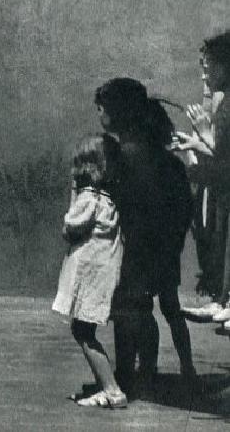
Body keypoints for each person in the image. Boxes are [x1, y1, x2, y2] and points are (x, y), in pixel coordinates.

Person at [95, 77, 197, 396]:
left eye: (102, 108)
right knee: (150, 309)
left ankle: (127, 373)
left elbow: (116, 207)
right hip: (162, 249)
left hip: (132, 250)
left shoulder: (121, 157)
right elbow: (183, 208)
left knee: (127, 311)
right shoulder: (165, 160)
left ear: (117, 112)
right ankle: (150, 371)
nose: (99, 114)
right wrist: (173, 245)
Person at [52, 134, 127, 409]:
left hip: (90, 274)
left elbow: (69, 228)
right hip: (105, 272)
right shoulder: (111, 200)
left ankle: (112, 389)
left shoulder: (88, 198)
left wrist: (74, 192)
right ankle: (106, 384)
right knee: (85, 328)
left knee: (82, 331)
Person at [172, 31, 230, 328]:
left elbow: (220, 150)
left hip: (223, 183)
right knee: (218, 241)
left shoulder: (225, 101)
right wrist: (196, 142)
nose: (205, 71)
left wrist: (201, 134)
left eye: (210, 64)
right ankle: (222, 299)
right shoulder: (221, 97)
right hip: (220, 185)